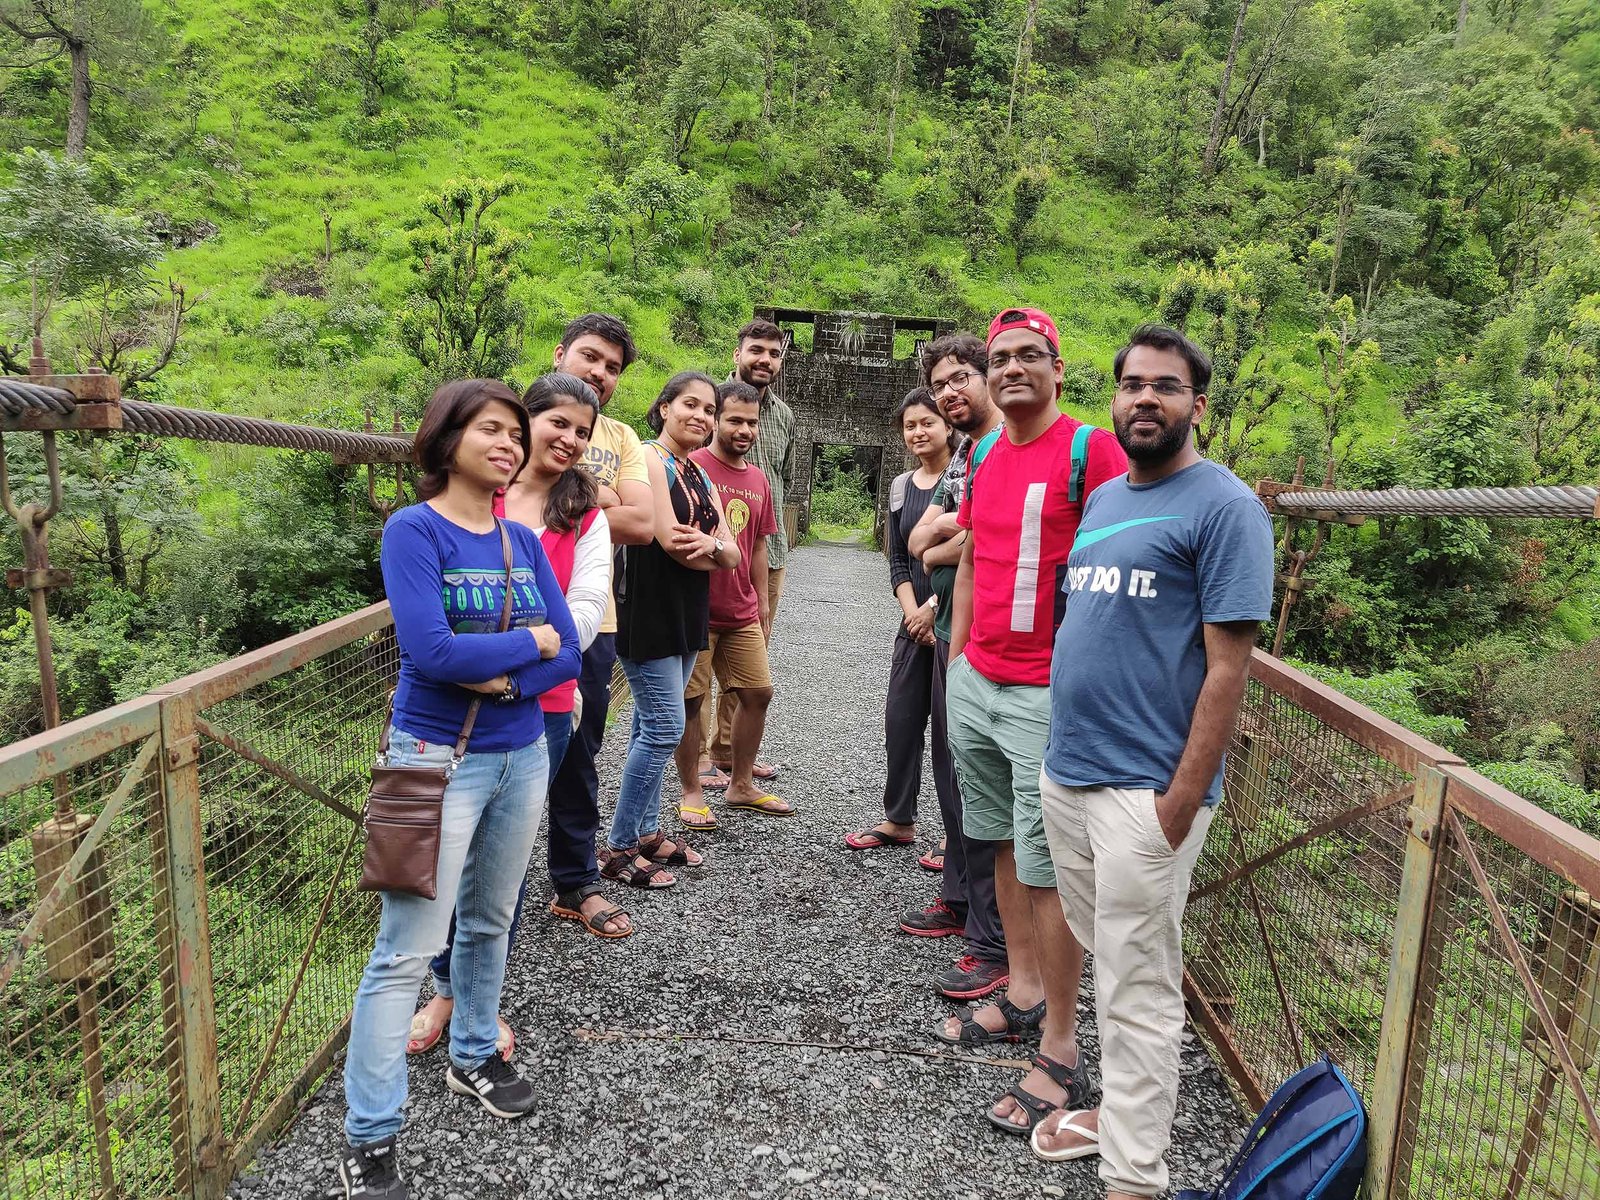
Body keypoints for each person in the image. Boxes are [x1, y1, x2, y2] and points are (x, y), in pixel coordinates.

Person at [1029, 325, 1273, 1197]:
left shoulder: (1225, 507)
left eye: (1164, 387)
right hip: (1072, 773)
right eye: (1131, 385)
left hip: (1145, 793)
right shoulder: (1105, 501)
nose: (1144, 400)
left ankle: (1136, 1176)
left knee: (1140, 983)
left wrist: (1180, 802)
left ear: (1195, 405)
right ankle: (1122, 1121)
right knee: (1113, 957)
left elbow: (1228, 669)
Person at [338, 380, 581, 1200]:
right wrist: (528, 646)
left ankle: (473, 1053)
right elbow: (430, 652)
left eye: (517, 432)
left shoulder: (518, 537)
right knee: (405, 949)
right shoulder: (415, 529)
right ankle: (370, 1137)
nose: (510, 444)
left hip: (521, 753)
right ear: (448, 439)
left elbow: (569, 654)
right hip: (436, 758)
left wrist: (506, 679)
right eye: (492, 429)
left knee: (490, 919)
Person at [941, 307, 1128, 1137]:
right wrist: (955, 657)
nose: (1012, 369)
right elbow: (976, 554)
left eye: (1029, 356)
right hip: (977, 677)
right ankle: (1020, 988)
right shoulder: (982, 451)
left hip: (1048, 689)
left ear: (1058, 367)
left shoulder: (1092, 451)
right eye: (1000, 358)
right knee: (999, 842)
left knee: (1050, 863)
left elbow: (1124, 570)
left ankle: (1060, 1041)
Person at [405, 373, 619, 1059]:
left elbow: (580, 620)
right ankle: (446, 990)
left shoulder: (584, 515)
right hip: (447, 723)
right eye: (557, 421)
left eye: (583, 431)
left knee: (501, 869)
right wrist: (515, 653)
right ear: (523, 422)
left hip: (542, 711)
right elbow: (432, 638)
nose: (570, 438)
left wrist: (500, 679)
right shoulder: (467, 499)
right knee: (449, 866)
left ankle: (471, 1002)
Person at [898, 336, 1009, 994]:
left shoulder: (1006, 446)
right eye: (940, 382)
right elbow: (915, 540)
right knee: (956, 773)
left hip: (989, 645)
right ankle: (962, 900)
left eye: (962, 376)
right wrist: (943, 544)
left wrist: (942, 546)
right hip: (952, 633)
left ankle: (992, 937)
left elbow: (985, 536)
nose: (950, 390)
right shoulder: (969, 452)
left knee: (985, 788)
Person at [540, 314, 654, 939]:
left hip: (592, 615)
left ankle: (574, 879)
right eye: (590, 357)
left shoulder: (623, 435)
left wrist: (587, 495)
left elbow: (642, 523)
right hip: (504, 617)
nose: (599, 373)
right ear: (561, 353)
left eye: (612, 368)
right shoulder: (515, 414)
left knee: (579, 751)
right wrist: (603, 495)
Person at [603, 372, 740, 888]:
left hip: (687, 608)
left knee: (648, 724)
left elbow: (728, 552)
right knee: (664, 728)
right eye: (691, 404)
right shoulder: (646, 458)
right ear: (664, 408)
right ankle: (617, 847)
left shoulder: (699, 474)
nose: (701, 417)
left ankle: (646, 831)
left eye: (709, 410)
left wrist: (709, 547)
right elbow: (667, 540)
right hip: (647, 606)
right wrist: (711, 548)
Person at [845, 388, 958, 870]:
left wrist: (934, 606)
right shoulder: (900, 487)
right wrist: (913, 610)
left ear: (948, 426)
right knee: (902, 721)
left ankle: (960, 837)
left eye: (927, 423)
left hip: (956, 618)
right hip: (914, 622)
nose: (918, 433)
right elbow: (897, 559)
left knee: (955, 735)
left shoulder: (963, 480)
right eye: (910, 426)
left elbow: (974, 551)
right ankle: (899, 818)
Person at [674, 380, 793, 829]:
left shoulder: (759, 479)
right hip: (697, 607)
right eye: (735, 420)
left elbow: (759, 545)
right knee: (692, 698)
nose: (744, 429)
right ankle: (690, 789)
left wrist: (761, 602)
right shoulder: (692, 467)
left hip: (741, 607)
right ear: (716, 421)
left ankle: (740, 783)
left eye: (752, 422)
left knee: (758, 692)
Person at [699, 318, 795, 790]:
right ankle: (695, 759)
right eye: (757, 350)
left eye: (774, 354)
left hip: (764, 545)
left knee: (750, 657)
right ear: (737, 353)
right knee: (697, 669)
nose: (765, 360)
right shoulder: (705, 403)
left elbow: (781, 478)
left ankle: (729, 752)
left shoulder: (785, 416)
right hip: (708, 555)